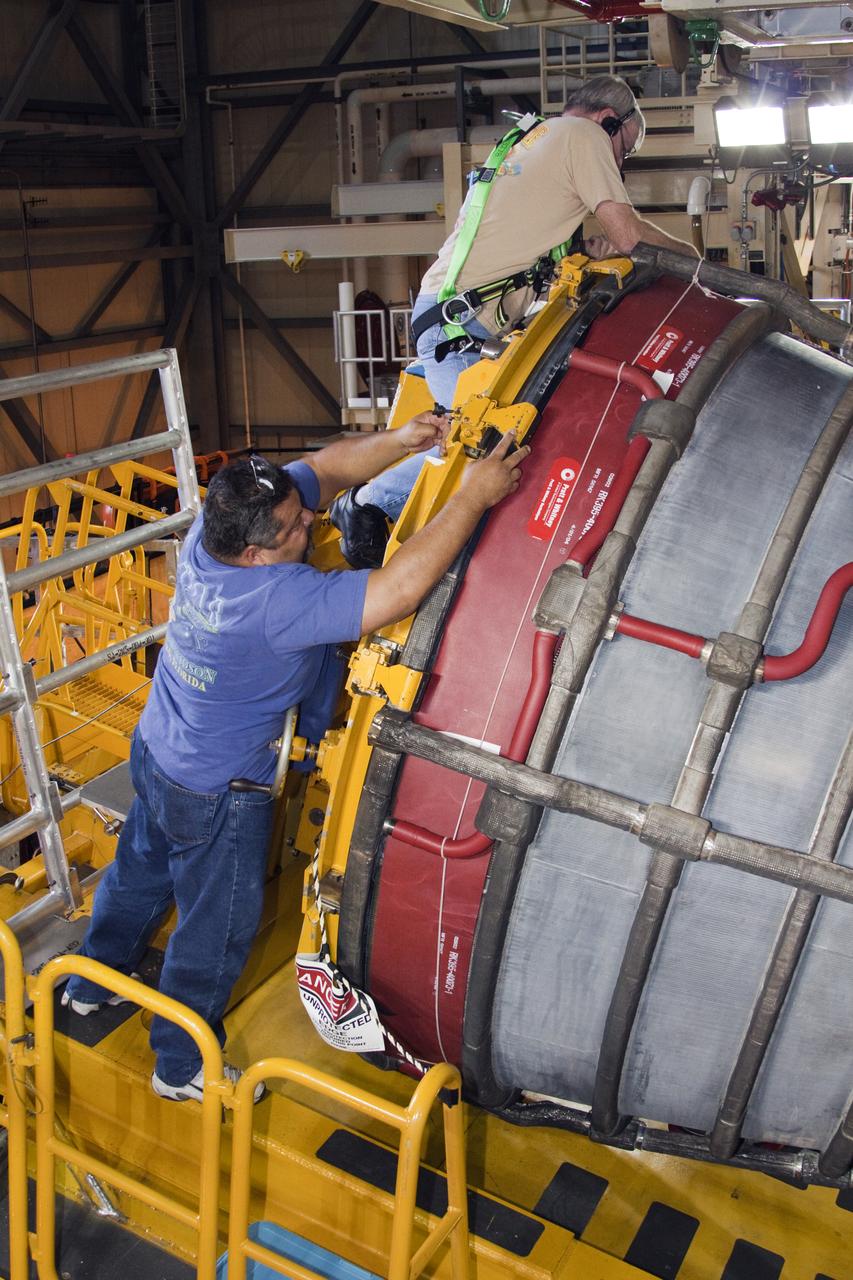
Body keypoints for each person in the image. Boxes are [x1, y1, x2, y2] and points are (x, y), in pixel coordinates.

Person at [61, 416, 528, 1103]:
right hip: (219, 790)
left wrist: (401, 442)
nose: (312, 521)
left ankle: (88, 985)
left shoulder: (209, 533)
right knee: (214, 927)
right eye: (296, 528)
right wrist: (472, 494)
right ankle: (181, 1067)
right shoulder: (275, 601)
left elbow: (324, 467)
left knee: (138, 873)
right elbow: (397, 591)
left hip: (160, 750)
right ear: (256, 554)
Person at [331, 73, 698, 570]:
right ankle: (365, 506)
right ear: (610, 120)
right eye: (625, 151)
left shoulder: (539, 139)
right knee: (484, 443)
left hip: (450, 318)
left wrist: (588, 250)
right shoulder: (585, 136)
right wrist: (695, 259)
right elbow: (632, 237)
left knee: (487, 438)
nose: (619, 165)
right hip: (454, 328)